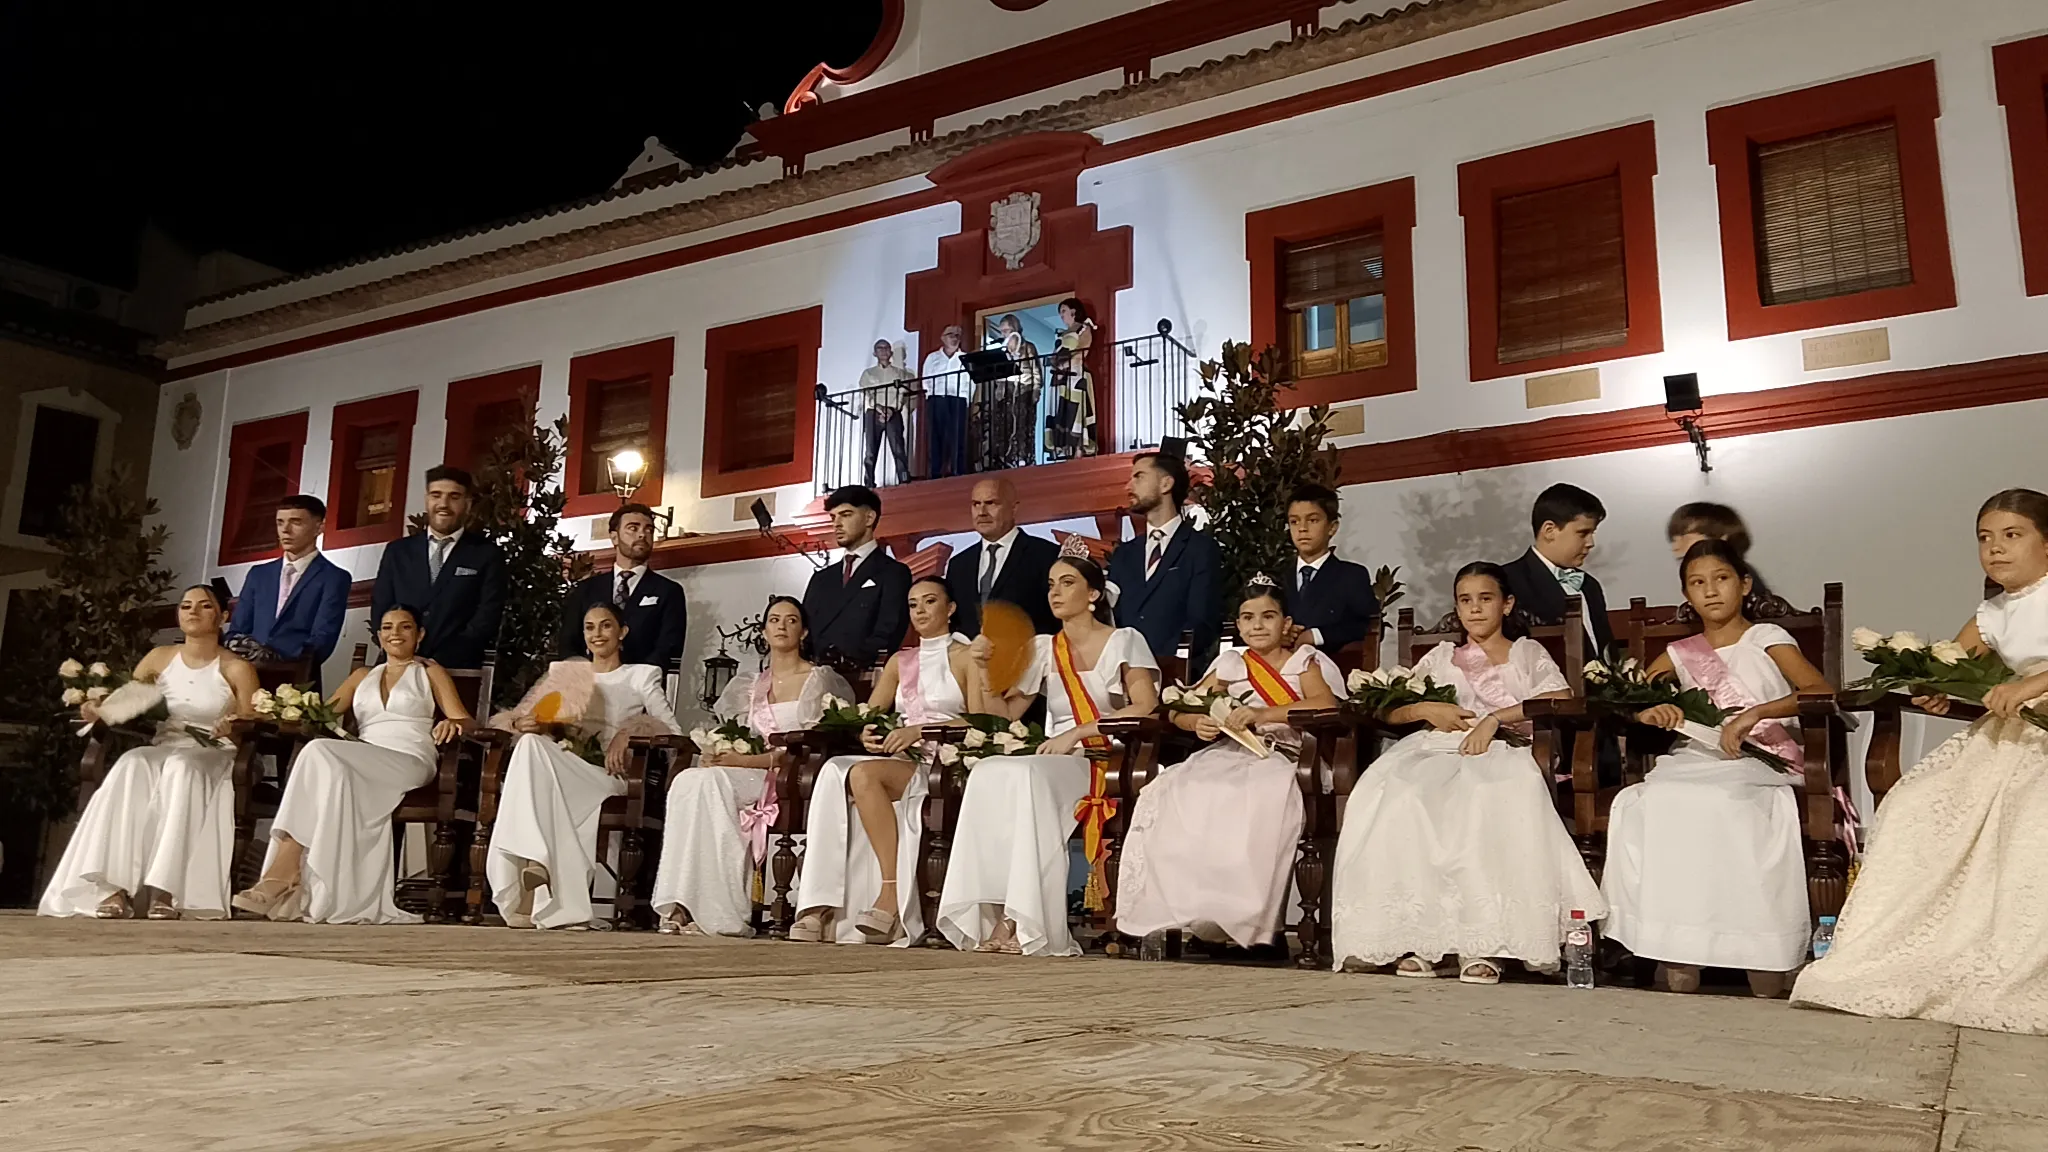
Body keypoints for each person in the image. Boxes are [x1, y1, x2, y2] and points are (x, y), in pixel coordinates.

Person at [1792, 489, 2048, 1033]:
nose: (1995, 550)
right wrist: (1939, 691)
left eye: (2012, 535)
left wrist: (2033, 683)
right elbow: (1953, 668)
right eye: (1984, 538)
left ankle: (2014, 965)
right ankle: (1899, 955)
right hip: (2007, 732)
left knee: (2031, 814)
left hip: (2040, 731)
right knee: (1916, 803)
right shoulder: (1993, 612)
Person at [1327, 562, 1605, 983]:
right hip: (1436, 748)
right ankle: (1423, 940)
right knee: (1402, 796)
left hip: (1502, 750)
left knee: (1481, 800)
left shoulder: (1526, 652)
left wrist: (1495, 719)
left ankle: (1484, 945)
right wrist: (1425, 709)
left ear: (1507, 604)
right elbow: (1390, 707)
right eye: (1464, 600)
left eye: (1485, 598)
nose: (1474, 609)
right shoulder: (1442, 657)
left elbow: (1560, 697)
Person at [1601, 540, 1831, 998]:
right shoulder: (1681, 652)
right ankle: (1677, 948)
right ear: (1686, 594)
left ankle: (1760, 951)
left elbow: (1819, 691)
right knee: (1651, 802)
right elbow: (1632, 702)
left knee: (1728, 805)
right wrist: (1649, 712)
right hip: (1698, 757)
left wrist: (1756, 713)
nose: (1710, 591)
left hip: (1762, 757)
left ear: (1744, 584)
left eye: (1721, 579)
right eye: (1697, 583)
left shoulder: (1765, 638)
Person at [939, 540, 1160, 956]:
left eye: (1068, 582)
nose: (1055, 592)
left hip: (1105, 759)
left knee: (1024, 776)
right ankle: (999, 908)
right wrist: (985, 669)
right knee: (987, 771)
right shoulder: (1045, 647)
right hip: (1055, 758)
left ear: (1093, 595)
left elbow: (1145, 706)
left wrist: (1078, 732)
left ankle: (1019, 920)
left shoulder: (1125, 640)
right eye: (1051, 584)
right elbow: (1004, 715)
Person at [1116, 574, 1336, 950]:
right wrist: (1195, 722)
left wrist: (1263, 713)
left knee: (1253, 796)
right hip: (1231, 753)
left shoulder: (1303, 661)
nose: (1257, 625)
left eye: (1268, 617)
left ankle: (1249, 925)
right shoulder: (1232, 663)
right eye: (1248, 617)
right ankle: (1205, 919)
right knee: (1184, 788)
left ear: (1286, 624)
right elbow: (1181, 709)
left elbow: (1324, 704)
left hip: (1285, 755)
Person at [230, 604, 472, 923]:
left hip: (410, 756)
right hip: (363, 754)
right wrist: (274, 711)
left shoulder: (429, 671)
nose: (395, 633)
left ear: (420, 634)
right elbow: (320, 715)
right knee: (320, 754)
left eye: (404, 627)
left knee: (320, 752)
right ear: (378, 636)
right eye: (387, 627)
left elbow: (464, 719)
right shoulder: (361, 676)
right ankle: (288, 871)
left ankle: (282, 872)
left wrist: (453, 725)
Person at [40, 585, 259, 920]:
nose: (193, 612)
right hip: (166, 745)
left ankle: (166, 890)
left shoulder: (235, 668)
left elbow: (251, 716)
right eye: (186, 606)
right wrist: (99, 709)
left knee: (181, 768)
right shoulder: (160, 658)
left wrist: (234, 723)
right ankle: (111, 887)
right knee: (132, 763)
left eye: (204, 606)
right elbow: (128, 700)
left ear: (223, 616)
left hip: (212, 753)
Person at [653, 596, 852, 935]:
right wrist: (719, 752)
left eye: (791, 620)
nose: (782, 626)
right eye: (775, 620)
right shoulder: (749, 684)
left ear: (803, 632)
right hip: (746, 769)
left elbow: (812, 741)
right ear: (764, 630)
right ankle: (681, 902)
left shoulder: (819, 680)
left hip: (788, 777)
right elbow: (737, 735)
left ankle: (721, 912)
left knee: (713, 785)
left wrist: (745, 760)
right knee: (689, 781)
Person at [791, 576, 971, 944]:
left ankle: (889, 896)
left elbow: (983, 719)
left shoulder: (967, 657)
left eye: (930, 601)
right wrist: (868, 735)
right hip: (905, 760)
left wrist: (919, 731)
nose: (919, 610)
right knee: (832, 771)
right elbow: (870, 716)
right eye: (912, 604)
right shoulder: (900, 661)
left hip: (947, 762)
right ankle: (817, 904)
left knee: (862, 776)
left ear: (950, 609)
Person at [485, 602, 679, 929]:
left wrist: (631, 730)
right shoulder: (568, 673)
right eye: (590, 627)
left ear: (622, 632)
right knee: (531, 744)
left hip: (608, 772)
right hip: (565, 763)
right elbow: (519, 718)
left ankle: (535, 867)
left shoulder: (640, 675)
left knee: (535, 762)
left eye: (606, 626)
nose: (597, 634)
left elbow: (671, 730)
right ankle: (536, 859)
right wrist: (527, 725)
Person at [370, 465, 506, 669]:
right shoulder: (397, 552)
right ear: (427, 500)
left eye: (454, 497)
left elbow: (486, 617)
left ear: (467, 504)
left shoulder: (486, 554)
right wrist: (403, 654)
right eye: (436, 495)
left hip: (458, 669)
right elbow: (381, 608)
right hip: (397, 667)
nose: (443, 504)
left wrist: (439, 661)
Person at [1108, 451, 1222, 679]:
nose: (1128, 486)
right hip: (1123, 678)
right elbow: (1112, 619)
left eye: (1139, 476)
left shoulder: (1200, 549)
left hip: (1177, 677)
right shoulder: (1124, 555)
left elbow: (1202, 621)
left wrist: (1156, 664)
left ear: (1166, 483)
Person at [224, 494, 350, 677]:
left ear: (319, 527)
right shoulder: (258, 574)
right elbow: (236, 630)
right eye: (280, 522)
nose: (285, 530)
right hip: (246, 676)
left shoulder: (334, 577)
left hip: (298, 679)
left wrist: (275, 659)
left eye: (296, 522)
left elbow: (323, 639)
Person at [558, 503, 687, 670]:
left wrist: (631, 679)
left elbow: (669, 648)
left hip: (642, 687)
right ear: (614, 537)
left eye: (649, 529)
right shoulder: (585, 590)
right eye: (633, 528)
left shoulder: (668, 591)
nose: (642, 534)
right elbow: (568, 644)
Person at [801, 485, 912, 670]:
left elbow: (889, 630)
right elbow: (805, 631)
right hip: (817, 676)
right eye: (833, 517)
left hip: (865, 676)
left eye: (846, 515)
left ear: (869, 518)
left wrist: (851, 659)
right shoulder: (821, 579)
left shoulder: (893, 573)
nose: (836, 523)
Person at [1501, 483, 1613, 657]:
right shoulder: (1506, 581)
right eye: (1583, 533)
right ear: (1549, 530)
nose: (1591, 543)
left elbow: (1606, 649)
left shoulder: (1590, 585)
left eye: (1593, 533)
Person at [945, 476, 1060, 638]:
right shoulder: (958, 565)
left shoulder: (1046, 555)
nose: (982, 512)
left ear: (1014, 508)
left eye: (991, 503)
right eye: (976, 504)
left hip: (1031, 658)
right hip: (971, 661)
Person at [1282, 484, 1381, 659]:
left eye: (1312, 520)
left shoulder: (1351, 576)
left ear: (1332, 527)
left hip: (1332, 668)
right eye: (1294, 521)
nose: (1302, 528)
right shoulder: (1277, 577)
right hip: (1278, 672)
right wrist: (1279, 632)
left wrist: (1317, 635)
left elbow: (1368, 626)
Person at [1667, 502, 1775, 609]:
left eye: (1684, 537)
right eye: (1673, 540)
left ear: (1722, 537)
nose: (1676, 547)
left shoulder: (1740, 574)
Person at [976, 314, 1039, 470]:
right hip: (1006, 390)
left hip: (1024, 388)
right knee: (1004, 424)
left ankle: (1023, 457)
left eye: (1007, 330)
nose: (1004, 334)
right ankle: (1004, 458)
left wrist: (1036, 390)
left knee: (1022, 424)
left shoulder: (1028, 347)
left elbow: (1036, 370)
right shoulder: (1002, 349)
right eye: (1002, 331)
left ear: (1015, 329)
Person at [1046, 297, 1097, 461]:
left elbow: (1083, 349)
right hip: (1059, 377)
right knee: (1061, 410)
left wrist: (1065, 363)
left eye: (1063, 311)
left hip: (1075, 373)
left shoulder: (1083, 328)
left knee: (1076, 410)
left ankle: (1078, 449)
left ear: (1074, 311)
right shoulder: (1061, 333)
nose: (1061, 315)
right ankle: (1063, 447)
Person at [859, 338, 914, 487]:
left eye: (886, 347)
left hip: (893, 413)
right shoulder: (868, 373)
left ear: (890, 352)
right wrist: (878, 408)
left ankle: (903, 479)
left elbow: (902, 393)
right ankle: (869, 483)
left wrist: (890, 409)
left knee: (898, 448)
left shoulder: (900, 373)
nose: (883, 350)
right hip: (872, 413)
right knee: (870, 450)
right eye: (879, 348)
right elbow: (866, 393)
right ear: (875, 353)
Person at [920, 324, 970, 479]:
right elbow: (926, 379)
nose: (955, 338)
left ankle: (957, 471)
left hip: (957, 399)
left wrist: (965, 400)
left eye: (957, 335)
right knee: (936, 437)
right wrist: (931, 396)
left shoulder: (964, 358)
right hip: (937, 399)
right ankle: (936, 472)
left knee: (957, 437)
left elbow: (970, 382)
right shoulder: (932, 357)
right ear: (943, 338)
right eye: (951, 334)